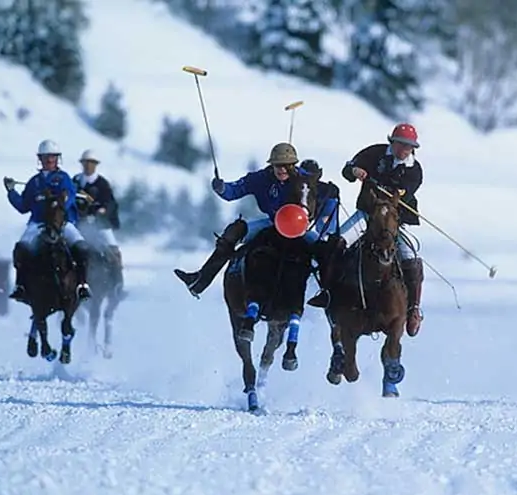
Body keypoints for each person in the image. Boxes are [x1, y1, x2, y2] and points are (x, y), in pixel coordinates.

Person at [173, 143, 338, 298]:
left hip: (298, 229)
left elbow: (325, 191)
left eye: (286, 165)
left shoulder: (303, 179)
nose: (282, 169)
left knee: (326, 251)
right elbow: (234, 191)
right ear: (271, 165)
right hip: (272, 223)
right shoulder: (260, 178)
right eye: (277, 165)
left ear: (294, 165)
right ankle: (200, 280)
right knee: (233, 232)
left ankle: (329, 294)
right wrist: (222, 188)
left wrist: (331, 191)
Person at [307, 123, 425, 338]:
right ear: (392, 142)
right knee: (338, 242)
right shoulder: (375, 153)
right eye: (400, 144)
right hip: (367, 214)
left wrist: (386, 190)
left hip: (394, 219)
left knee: (411, 257)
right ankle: (327, 292)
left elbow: (401, 195)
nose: (403, 150)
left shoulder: (414, 170)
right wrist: (354, 170)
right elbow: (348, 169)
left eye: (408, 146)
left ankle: (413, 309)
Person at [4, 139, 92, 303]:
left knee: (82, 248)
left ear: (57, 159)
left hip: (62, 224)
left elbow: (69, 198)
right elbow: (23, 206)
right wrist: (11, 192)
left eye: (52, 157)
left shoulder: (64, 178)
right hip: (37, 224)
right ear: (40, 159)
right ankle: (20, 286)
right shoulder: (34, 182)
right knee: (21, 249)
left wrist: (57, 201)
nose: (49, 160)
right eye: (46, 157)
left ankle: (82, 285)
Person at [72, 149, 124, 294]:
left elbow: (110, 203)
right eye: (85, 163)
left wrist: (103, 211)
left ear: (96, 165)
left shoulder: (102, 184)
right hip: (79, 225)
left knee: (113, 251)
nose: (88, 166)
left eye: (91, 163)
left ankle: (117, 283)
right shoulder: (75, 181)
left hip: (100, 227)